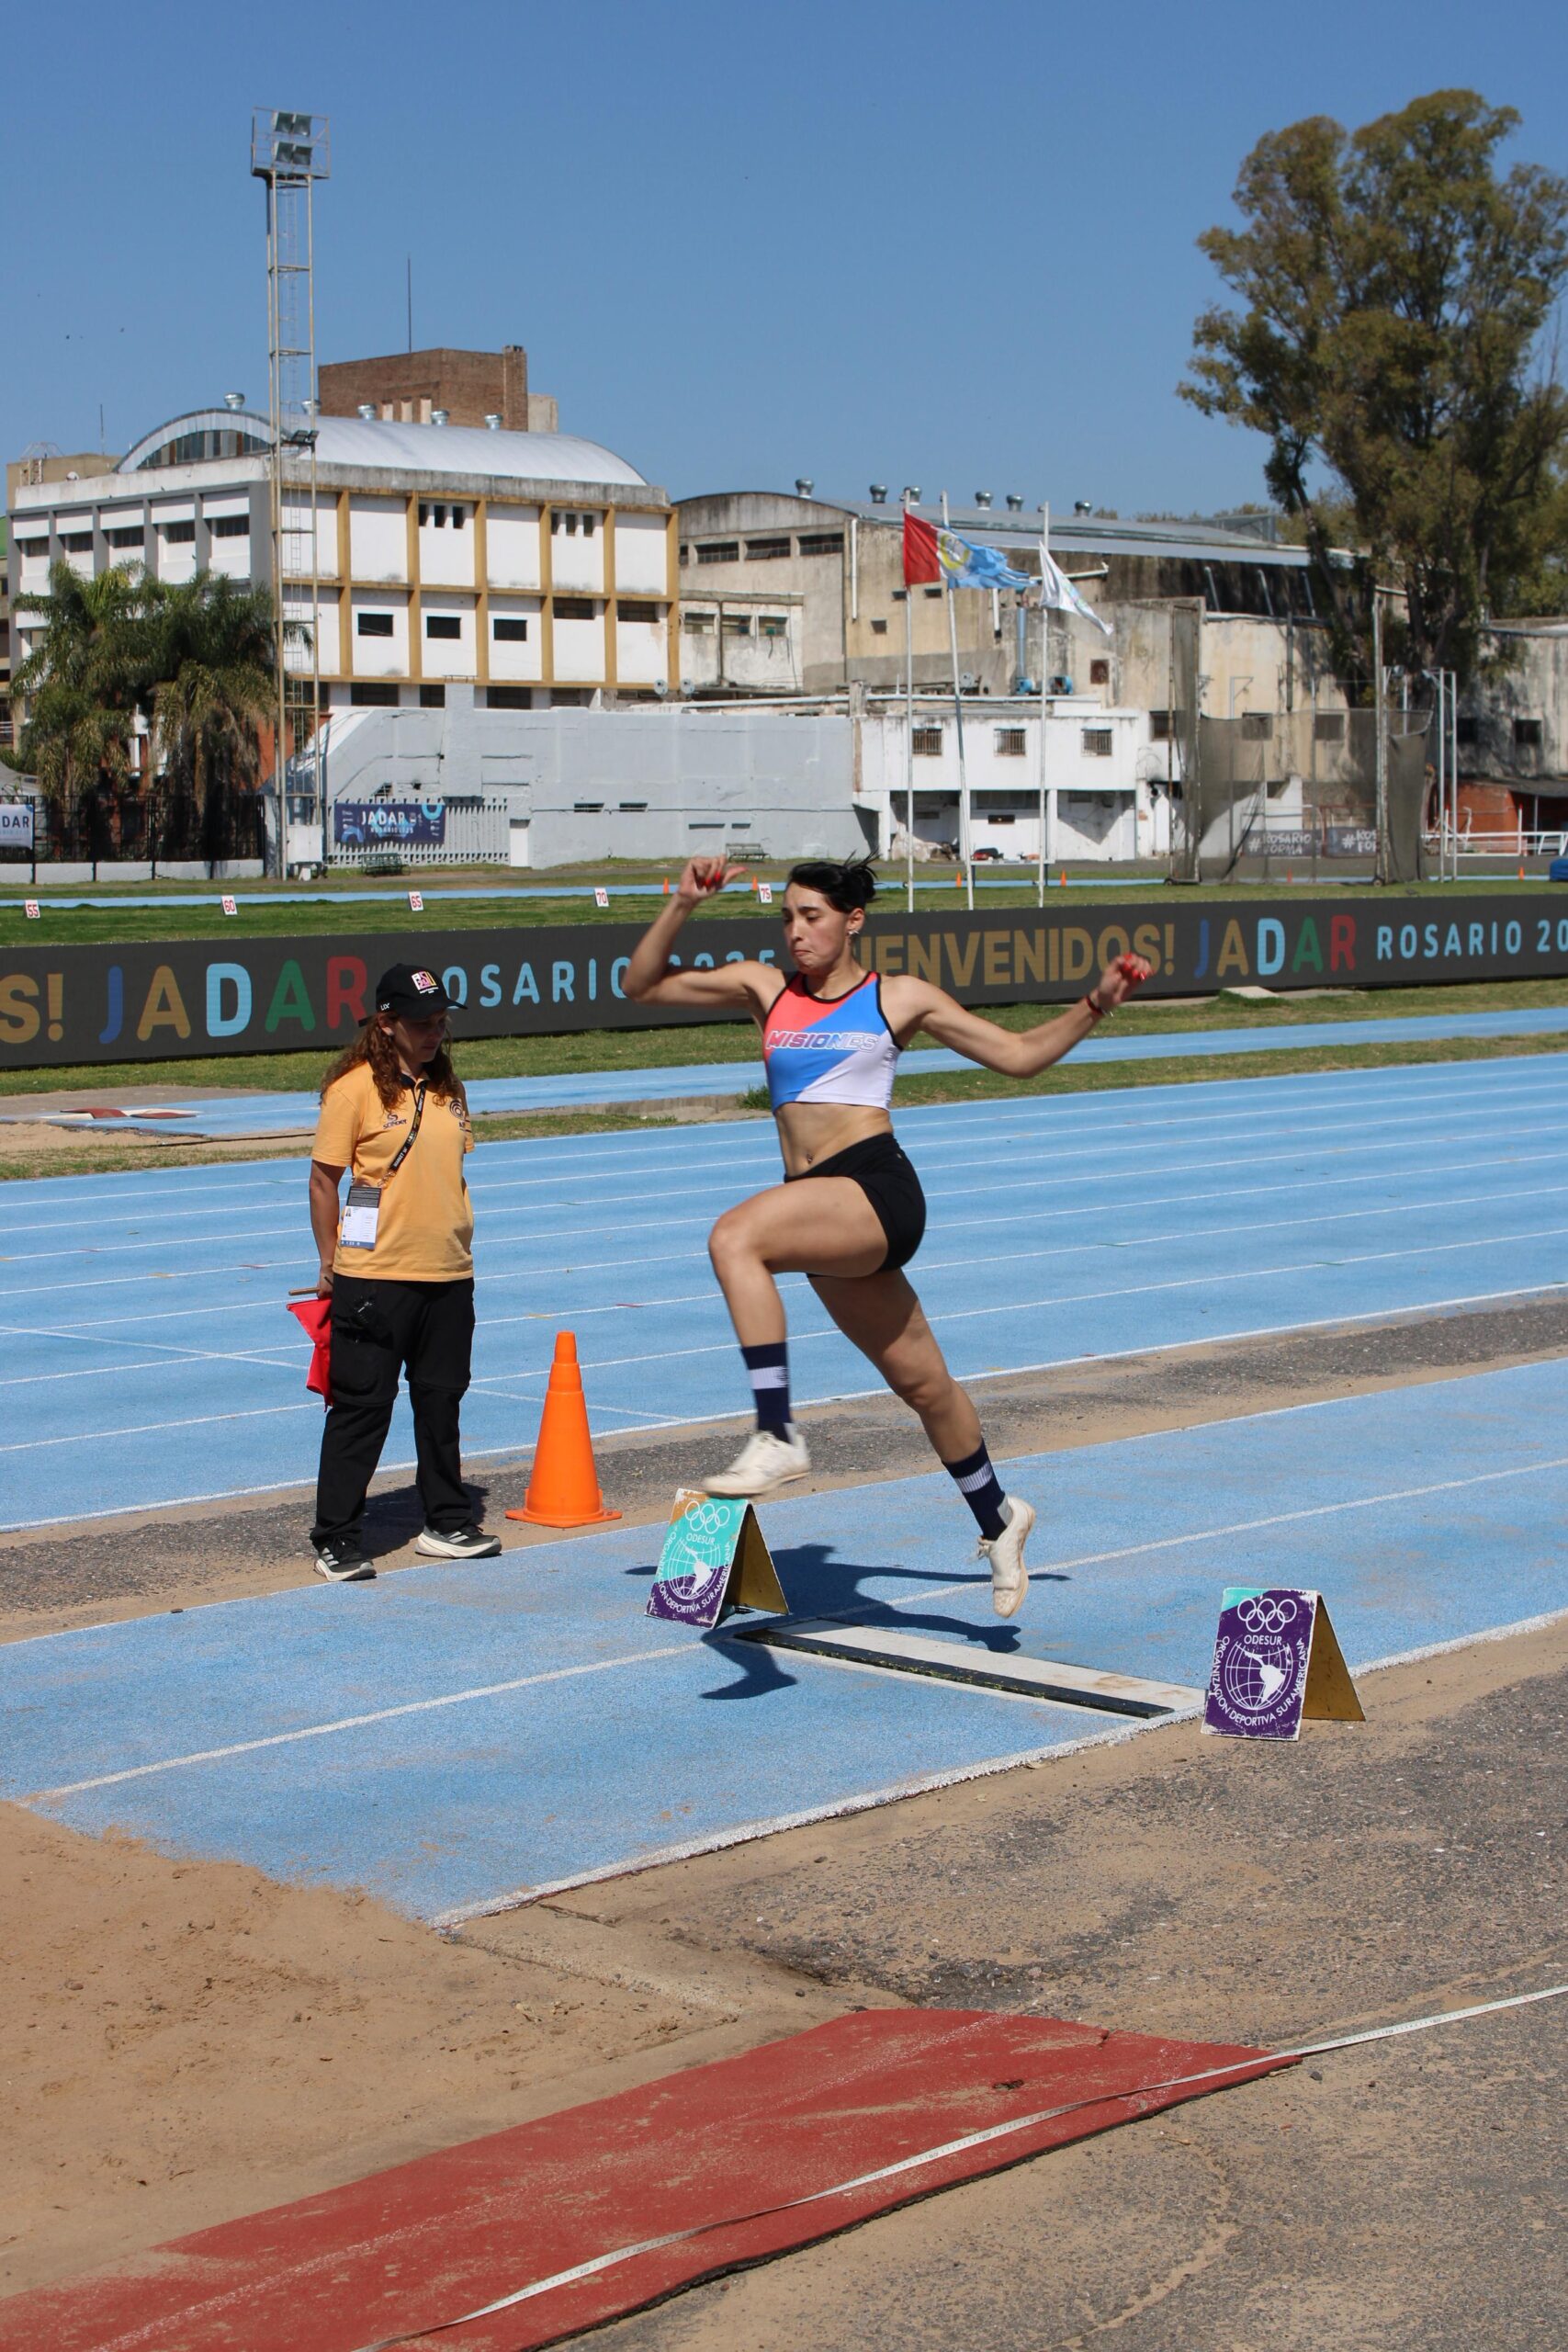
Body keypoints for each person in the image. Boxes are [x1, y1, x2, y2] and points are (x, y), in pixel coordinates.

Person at [624, 858, 1149, 1616]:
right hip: (820, 1209)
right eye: (788, 918)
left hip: (874, 1189)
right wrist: (679, 903)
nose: (798, 932)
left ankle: (775, 1432)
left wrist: (1094, 1004)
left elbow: (1018, 1057)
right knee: (925, 1387)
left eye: (813, 917)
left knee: (735, 1237)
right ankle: (998, 1519)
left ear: (852, 920)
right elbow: (640, 985)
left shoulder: (896, 996)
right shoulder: (763, 989)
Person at [306, 962, 502, 1581]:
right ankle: (336, 1536)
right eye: (420, 1023)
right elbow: (323, 1180)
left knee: (441, 1403)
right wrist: (328, 1260)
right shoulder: (352, 1089)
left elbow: (452, 1169)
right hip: (374, 1275)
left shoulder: (448, 1088)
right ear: (386, 1024)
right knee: (363, 1409)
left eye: (440, 1022)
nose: (433, 1033)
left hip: (447, 1271)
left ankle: (445, 1521)